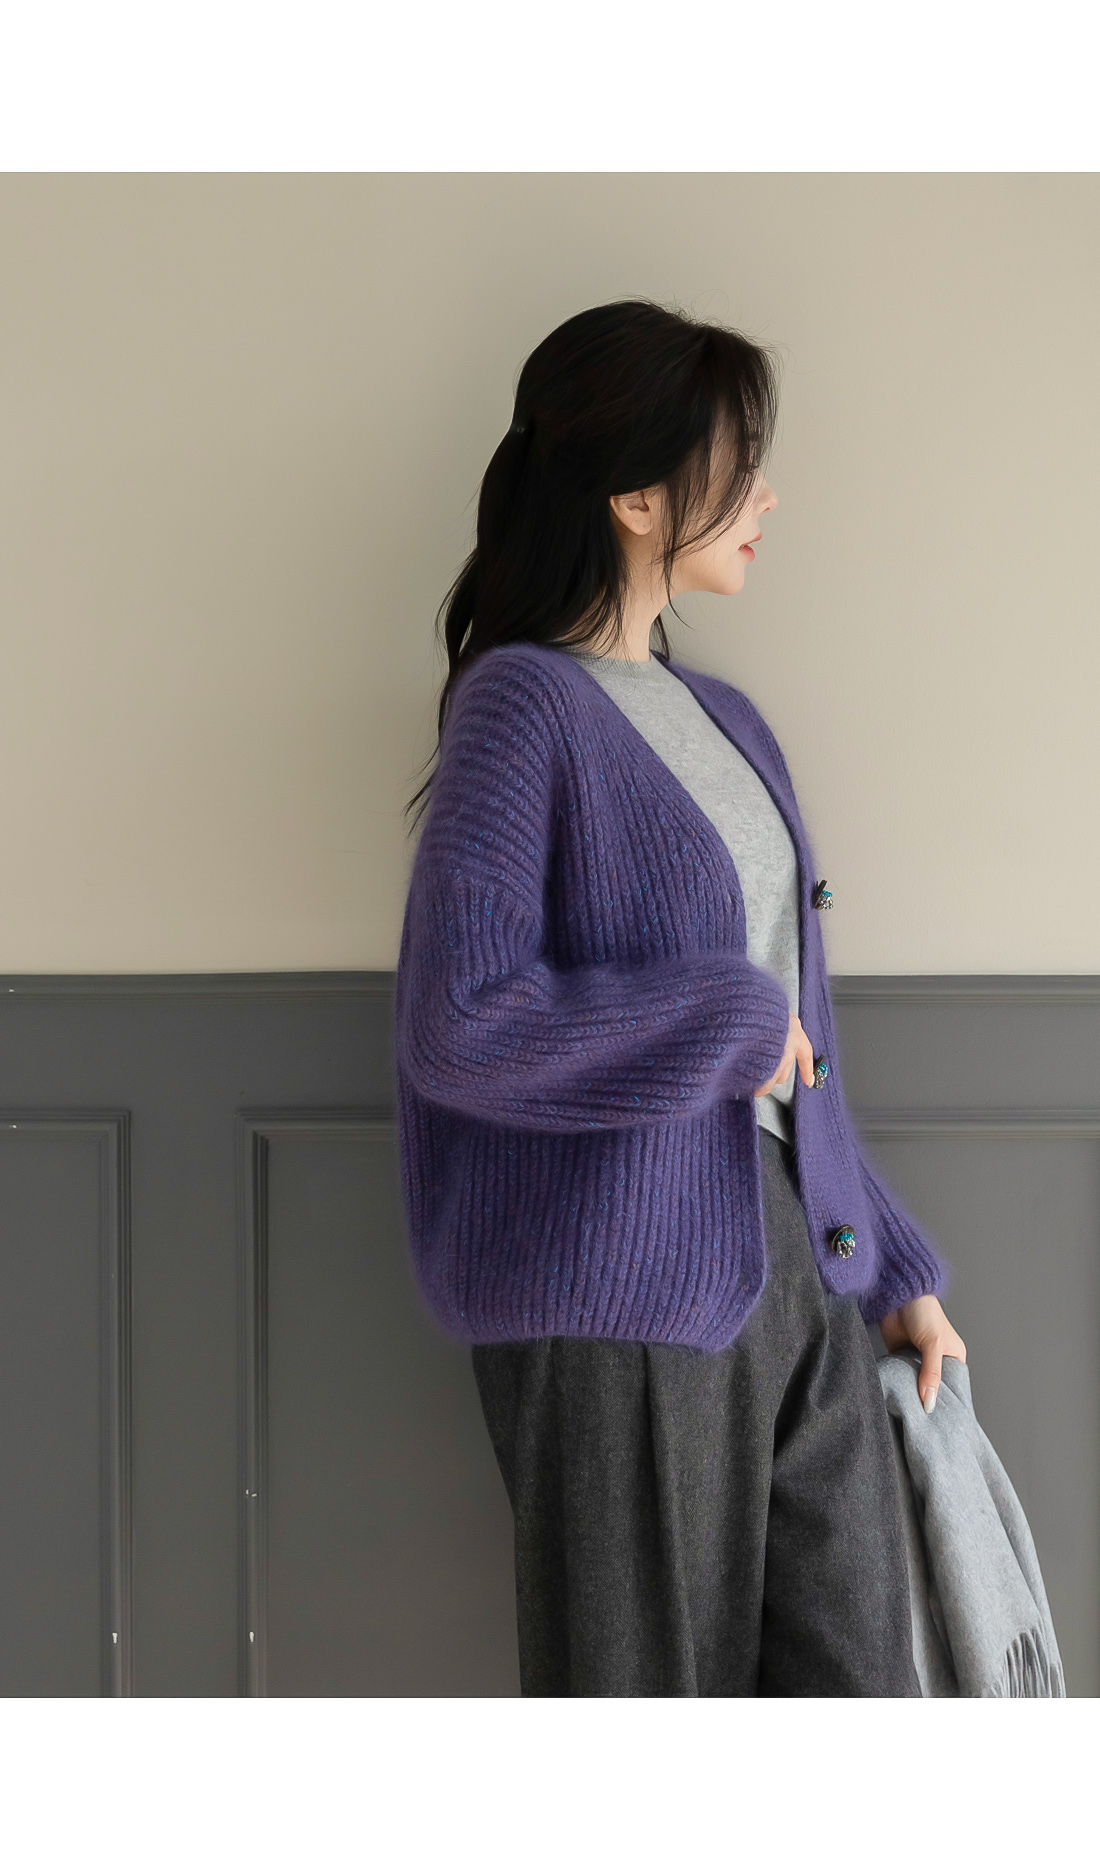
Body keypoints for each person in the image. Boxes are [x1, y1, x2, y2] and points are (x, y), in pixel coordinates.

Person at [393, 298, 967, 1696]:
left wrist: (893, 1269)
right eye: (737, 464)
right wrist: (721, 1020)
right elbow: (460, 1021)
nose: (766, 497)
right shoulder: (521, 707)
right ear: (637, 497)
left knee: (859, 1691)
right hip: (617, 1290)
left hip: (798, 1276)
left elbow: (803, 1052)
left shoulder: (729, 719)